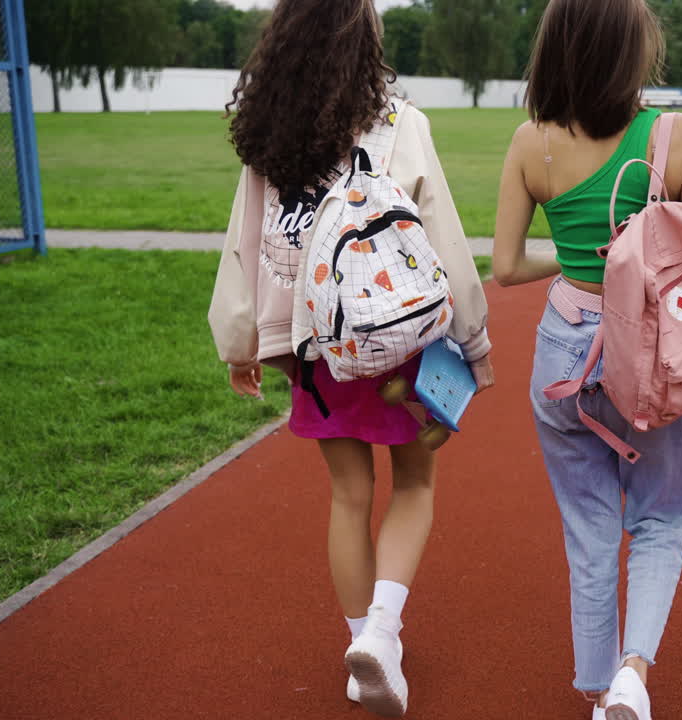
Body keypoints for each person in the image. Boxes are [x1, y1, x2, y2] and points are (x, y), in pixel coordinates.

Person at [207, 1, 494, 715]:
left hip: (318, 349)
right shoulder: (402, 124)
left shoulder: (268, 137)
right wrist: (476, 341)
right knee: (416, 487)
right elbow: (444, 239)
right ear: (366, 43)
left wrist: (240, 343)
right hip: (401, 340)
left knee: (347, 495)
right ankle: (381, 634)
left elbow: (245, 245)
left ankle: (360, 638)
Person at [491, 1, 682, 718]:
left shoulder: (532, 144)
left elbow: (502, 267)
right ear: (635, 50)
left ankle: (598, 690)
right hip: (646, 355)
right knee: (659, 516)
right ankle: (632, 674)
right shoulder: (678, 137)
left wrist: (581, 258)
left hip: (563, 352)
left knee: (588, 529)